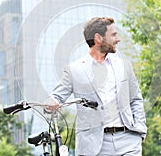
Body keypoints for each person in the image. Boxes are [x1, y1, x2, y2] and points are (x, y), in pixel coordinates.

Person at [45, 17, 147, 156]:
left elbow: (135, 99)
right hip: (93, 146)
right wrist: (51, 103)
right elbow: (56, 97)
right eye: (113, 34)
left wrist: (139, 130)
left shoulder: (124, 65)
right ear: (98, 38)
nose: (118, 39)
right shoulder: (74, 70)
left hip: (128, 140)